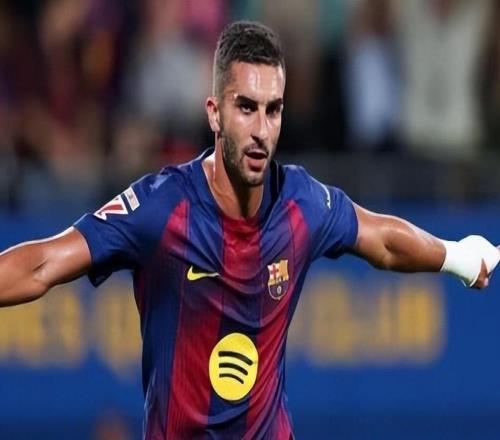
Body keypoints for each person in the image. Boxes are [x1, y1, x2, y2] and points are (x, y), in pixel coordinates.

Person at [0, 20, 499, 440]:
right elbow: (43, 264)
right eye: (245, 107)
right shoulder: (161, 208)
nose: (261, 130)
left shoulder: (302, 203)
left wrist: (459, 258)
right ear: (214, 114)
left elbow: (382, 240)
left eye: (273, 109)